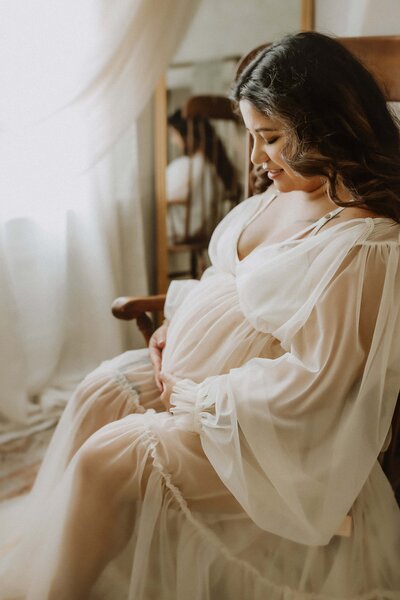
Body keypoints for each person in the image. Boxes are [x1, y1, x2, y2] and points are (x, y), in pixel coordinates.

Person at [1, 31, 400, 599]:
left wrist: (199, 398)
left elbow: (322, 380)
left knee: (109, 460)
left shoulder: (366, 243)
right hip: (202, 386)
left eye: (270, 138)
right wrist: (173, 328)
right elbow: (226, 281)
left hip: (276, 432)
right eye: (251, 136)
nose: (257, 158)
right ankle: (79, 568)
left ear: (325, 125)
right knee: (100, 391)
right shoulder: (280, 190)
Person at [166, 108, 240, 244]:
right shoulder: (212, 166)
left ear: (187, 136)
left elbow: (165, 195)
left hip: (186, 229)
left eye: (173, 134)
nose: (172, 140)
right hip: (210, 228)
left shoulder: (187, 165)